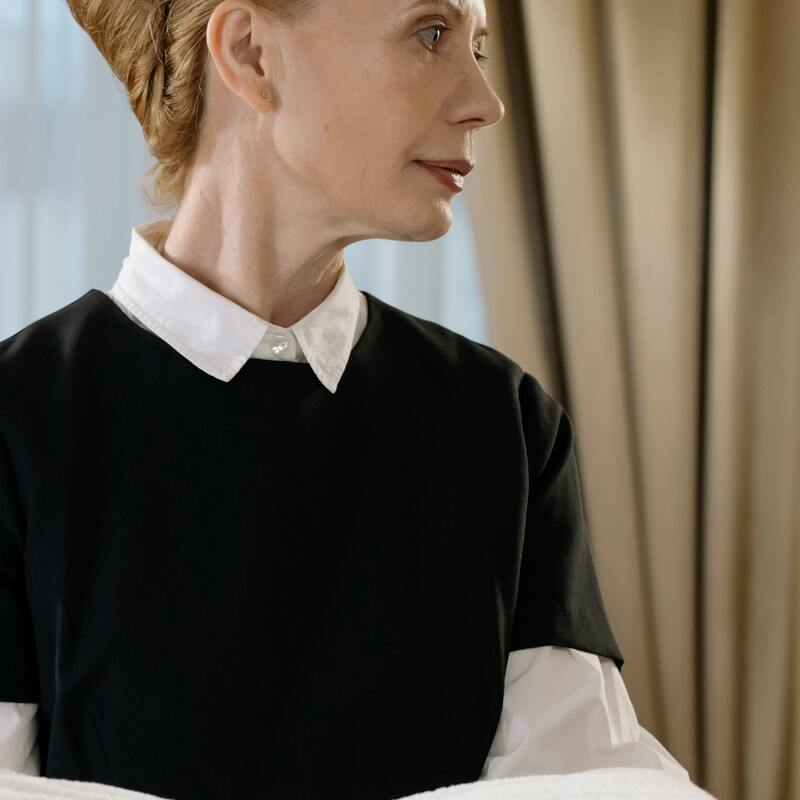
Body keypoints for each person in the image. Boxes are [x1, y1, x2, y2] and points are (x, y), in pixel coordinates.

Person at [0, 1, 690, 798]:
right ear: (251, 54)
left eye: (477, 48)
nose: (486, 102)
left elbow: (584, 783)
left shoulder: (505, 426)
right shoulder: (19, 422)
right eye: (431, 34)